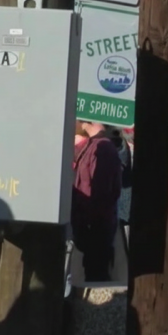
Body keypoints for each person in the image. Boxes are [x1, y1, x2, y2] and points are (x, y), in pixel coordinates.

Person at [71, 119, 122, 282]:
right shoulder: (93, 145)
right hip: (90, 228)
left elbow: (101, 195)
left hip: (97, 230)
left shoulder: (103, 148)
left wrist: (88, 221)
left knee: (96, 277)